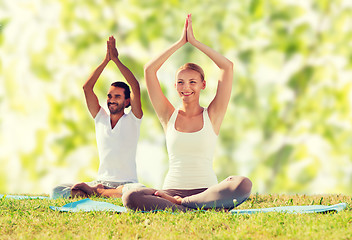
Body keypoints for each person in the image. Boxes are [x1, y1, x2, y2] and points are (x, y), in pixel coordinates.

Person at [122, 14, 252, 211]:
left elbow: (227, 66)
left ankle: (185, 206)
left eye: (192, 82)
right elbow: (149, 70)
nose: (186, 87)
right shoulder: (168, 115)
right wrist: (180, 42)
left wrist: (194, 42)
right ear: (175, 85)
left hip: (206, 193)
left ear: (202, 85)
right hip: (170, 193)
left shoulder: (212, 115)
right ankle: (194, 208)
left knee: (243, 183)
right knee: (131, 196)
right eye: (181, 82)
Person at [51, 36, 144, 199]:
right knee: (57, 190)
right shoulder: (100, 117)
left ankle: (95, 193)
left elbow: (135, 86)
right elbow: (87, 88)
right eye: (109, 96)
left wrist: (116, 60)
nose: (112, 99)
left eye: (117, 96)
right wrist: (105, 60)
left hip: (127, 184)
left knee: (137, 191)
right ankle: (99, 191)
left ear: (127, 101)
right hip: (101, 181)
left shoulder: (133, 119)